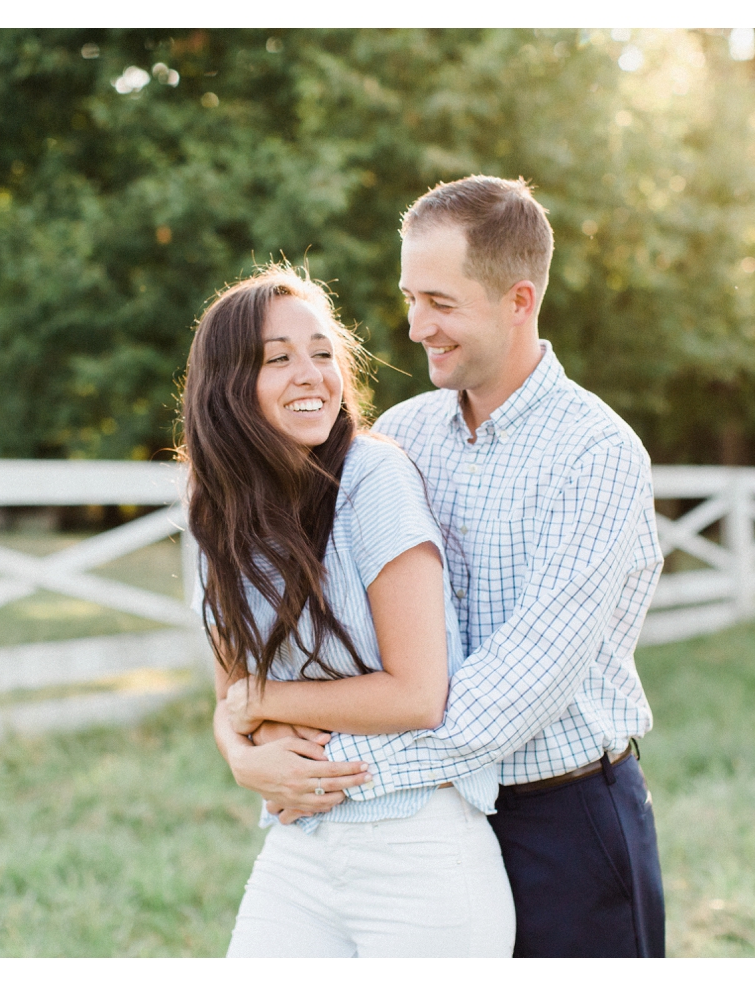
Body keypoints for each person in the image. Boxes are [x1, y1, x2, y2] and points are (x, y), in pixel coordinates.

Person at [234, 176, 668, 957]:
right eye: (409, 298)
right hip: (425, 825)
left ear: (518, 299)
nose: (414, 327)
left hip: (564, 826)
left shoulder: (597, 458)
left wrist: (319, 770)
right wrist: (245, 745)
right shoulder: (401, 437)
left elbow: (511, 693)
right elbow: (308, 635)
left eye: (440, 302)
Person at [181, 264, 515, 957]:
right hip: (300, 845)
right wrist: (238, 756)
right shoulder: (217, 513)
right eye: (279, 359)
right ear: (227, 386)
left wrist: (255, 705)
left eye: (323, 353)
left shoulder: (373, 478)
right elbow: (230, 697)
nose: (312, 375)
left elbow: (419, 694)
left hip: (417, 849)